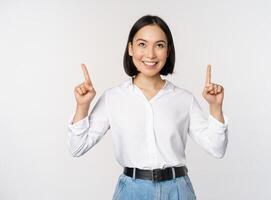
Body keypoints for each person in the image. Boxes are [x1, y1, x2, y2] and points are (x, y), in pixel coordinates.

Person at [68, 15, 229, 200]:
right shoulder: (113, 98)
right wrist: (82, 106)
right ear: (130, 48)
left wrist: (215, 107)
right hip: (131, 192)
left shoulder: (183, 99)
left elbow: (217, 149)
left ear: (168, 51)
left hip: (177, 191)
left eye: (159, 45)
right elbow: (77, 148)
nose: (150, 54)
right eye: (142, 44)